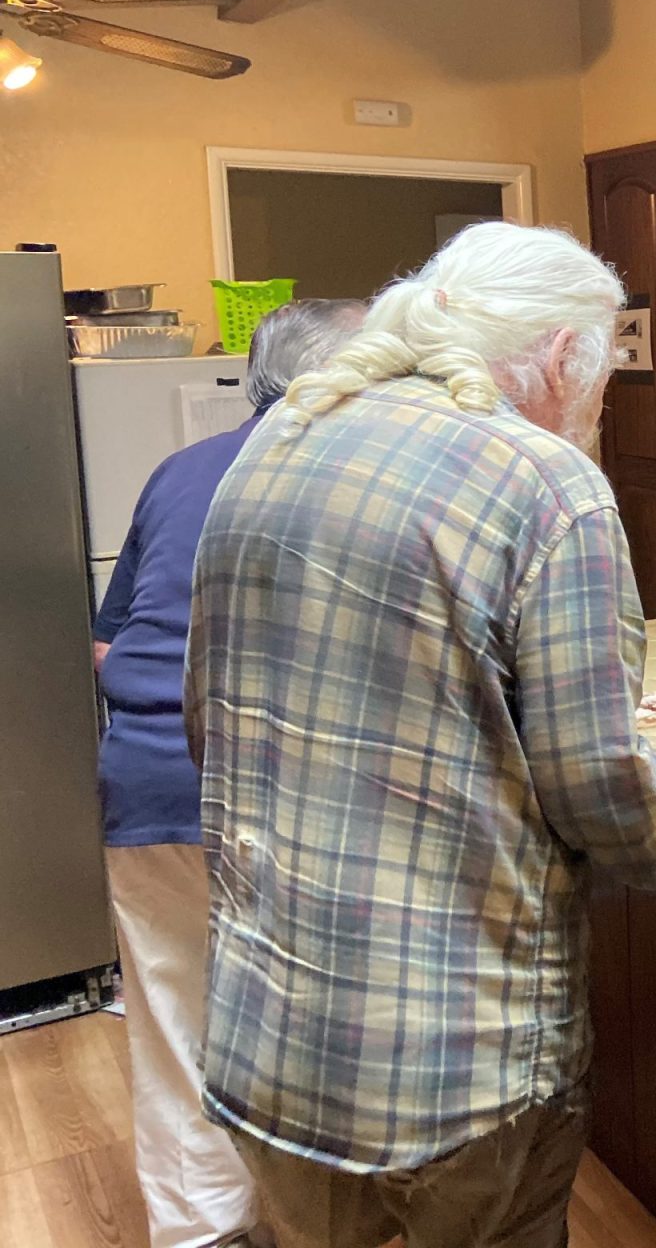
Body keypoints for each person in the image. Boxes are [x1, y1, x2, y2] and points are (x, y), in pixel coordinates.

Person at [186, 223, 656, 1247]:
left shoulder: (280, 438)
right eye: (602, 387)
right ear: (560, 357)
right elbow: (605, 804)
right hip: (450, 1064)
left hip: (270, 1034)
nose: (597, 415)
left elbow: (209, 722)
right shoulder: (546, 483)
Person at [92, 297, 364, 1248]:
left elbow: (107, 643)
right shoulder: (362, 471)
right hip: (288, 790)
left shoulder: (178, 469)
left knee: (177, 1019)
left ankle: (205, 1235)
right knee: (320, 1022)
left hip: (147, 782)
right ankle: (321, 1221)